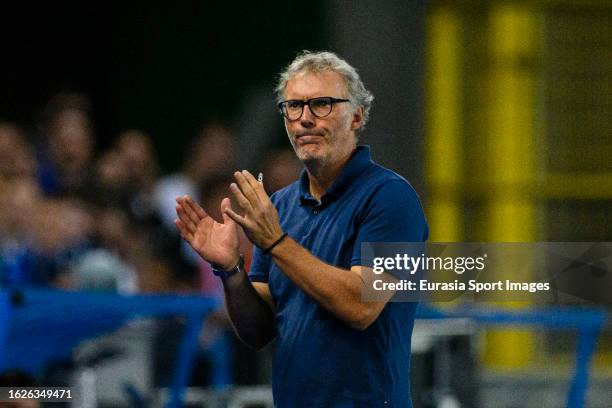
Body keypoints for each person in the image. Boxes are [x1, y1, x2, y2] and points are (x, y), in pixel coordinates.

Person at [175, 50, 428, 407]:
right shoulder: (279, 207)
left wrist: (276, 241)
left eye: (321, 104)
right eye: (293, 107)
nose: (304, 119)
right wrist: (230, 270)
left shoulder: (392, 199)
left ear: (357, 116)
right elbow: (259, 332)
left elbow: (361, 306)